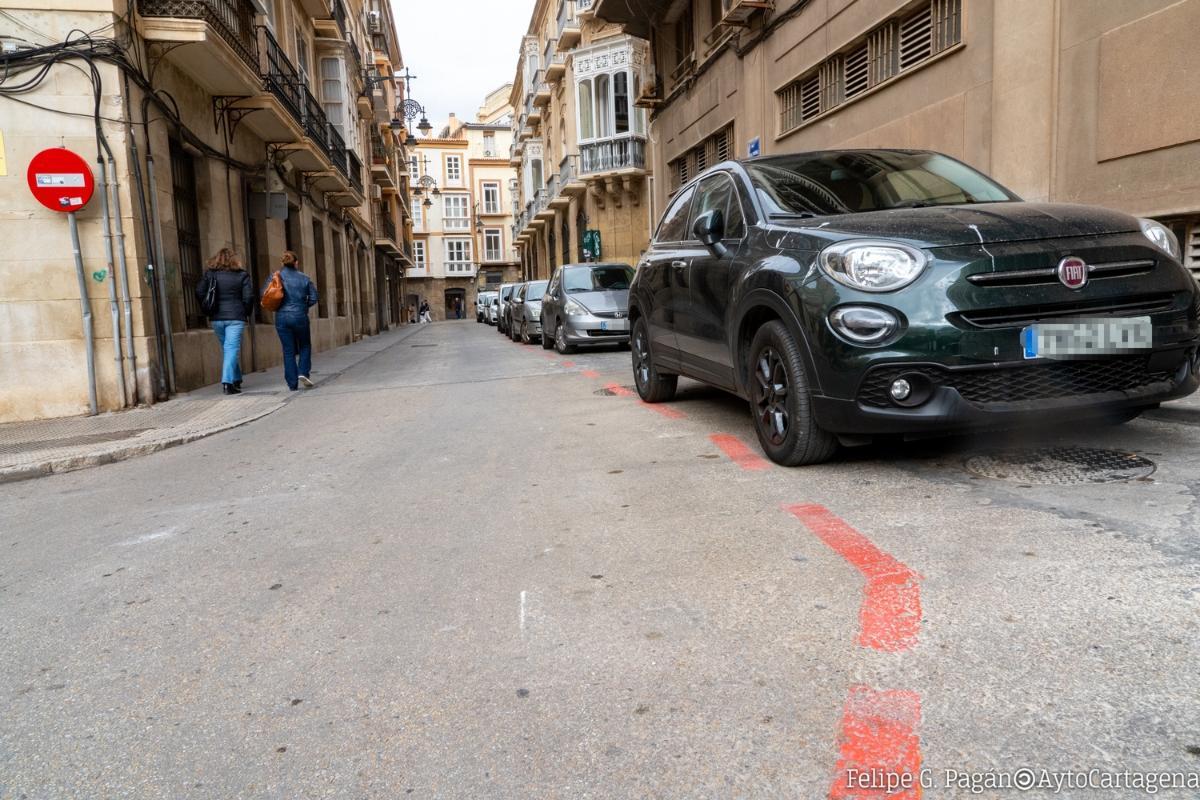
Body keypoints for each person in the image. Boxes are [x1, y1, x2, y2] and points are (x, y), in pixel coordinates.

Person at [196, 248, 253, 395]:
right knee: (231, 349)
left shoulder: (210, 274)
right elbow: (248, 298)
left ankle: (237, 378)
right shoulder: (242, 275)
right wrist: (245, 312)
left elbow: (199, 291)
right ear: (235, 260)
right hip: (235, 318)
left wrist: (207, 307)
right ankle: (227, 383)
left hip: (216, 318)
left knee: (228, 349)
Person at [268, 251, 318, 391]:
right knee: (305, 346)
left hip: (282, 317)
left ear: (283, 263)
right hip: (300, 316)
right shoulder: (305, 278)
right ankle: (303, 372)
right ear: (296, 263)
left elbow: (266, 294)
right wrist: (302, 306)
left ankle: (292, 383)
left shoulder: (276, 277)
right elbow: (314, 297)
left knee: (288, 350)